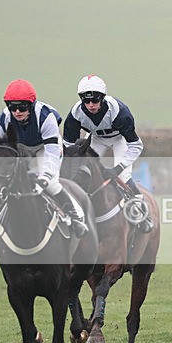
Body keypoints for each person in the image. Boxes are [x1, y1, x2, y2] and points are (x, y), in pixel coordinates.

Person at [0, 79, 88, 245]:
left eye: (22, 107)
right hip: (21, 148)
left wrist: (45, 177)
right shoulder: (4, 118)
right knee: (6, 184)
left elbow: (52, 153)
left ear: (31, 105)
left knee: (51, 183)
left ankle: (76, 217)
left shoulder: (46, 117)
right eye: (12, 107)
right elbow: (1, 148)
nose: (17, 111)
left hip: (45, 147)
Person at [62, 74, 153, 233]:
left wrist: (118, 168)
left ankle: (141, 213)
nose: (90, 105)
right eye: (86, 101)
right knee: (81, 172)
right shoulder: (76, 114)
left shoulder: (119, 112)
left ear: (102, 98)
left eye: (95, 100)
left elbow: (136, 145)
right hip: (95, 139)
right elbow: (68, 147)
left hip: (119, 140)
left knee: (123, 176)